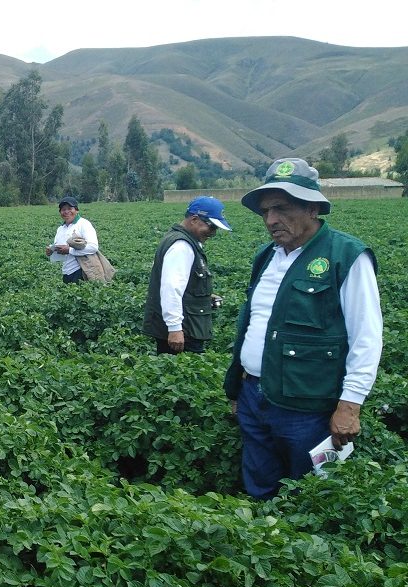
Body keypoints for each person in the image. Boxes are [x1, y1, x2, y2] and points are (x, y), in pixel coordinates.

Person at [225, 158, 382, 500]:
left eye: (281, 208)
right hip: (253, 396)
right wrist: (237, 388)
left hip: (306, 407)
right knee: (260, 484)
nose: (271, 220)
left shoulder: (346, 255)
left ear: (312, 208)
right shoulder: (266, 256)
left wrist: (350, 404)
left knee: (311, 492)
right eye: (266, 211)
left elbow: (367, 336)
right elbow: (252, 324)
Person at [142, 196, 231, 355]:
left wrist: (203, 297)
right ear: (194, 220)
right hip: (184, 330)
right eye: (211, 227)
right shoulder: (181, 246)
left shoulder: (182, 240)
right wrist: (175, 329)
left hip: (188, 325)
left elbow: (183, 284)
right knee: (181, 368)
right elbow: (171, 287)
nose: (213, 233)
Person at [45, 196, 100, 283]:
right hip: (66, 271)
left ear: (76, 210)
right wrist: (52, 251)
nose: (66, 212)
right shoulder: (61, 229)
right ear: (60, 212)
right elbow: (61, 248)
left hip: (82, 270)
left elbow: (93, 247)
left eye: (70, 208)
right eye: (63, 209)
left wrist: (69, 250)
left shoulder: (84, 224)